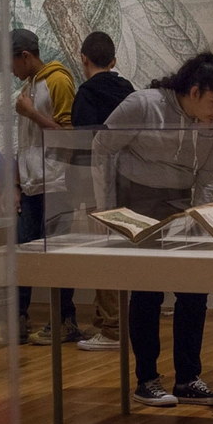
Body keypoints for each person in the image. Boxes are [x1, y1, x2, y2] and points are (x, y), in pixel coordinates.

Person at [92, 52, 213, 407]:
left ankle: (188, 377)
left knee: (194, 292)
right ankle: (147, 379)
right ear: (195, 91)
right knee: (148, 292)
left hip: (182, 207)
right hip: (135, 204)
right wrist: (106, 210)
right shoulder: (143, 104)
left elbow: (209, 175)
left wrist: (201, 217)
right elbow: (102, 148)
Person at [0, 28, 81, 346]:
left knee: (58, 257)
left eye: (9, 61)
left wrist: (31, 113)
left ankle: (65, 321)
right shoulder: (30, 84)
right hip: (30, 187)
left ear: (25, 56)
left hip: (56, 184)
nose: (7, 69)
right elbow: (24, 143)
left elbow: (70, 136)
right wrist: (15, 184)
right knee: (23, 255)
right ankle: (19, 320)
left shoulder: (58, 80)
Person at [71, 31, 134, 352]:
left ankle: (112, 328)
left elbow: (83, 147)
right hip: (131, 183)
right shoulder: (129, 91)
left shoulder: (86, 93)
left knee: (103, 251)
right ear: (114, 60)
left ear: (84, 60)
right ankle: (109, 320)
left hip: (99, 185)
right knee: (121, 251)